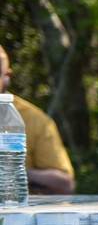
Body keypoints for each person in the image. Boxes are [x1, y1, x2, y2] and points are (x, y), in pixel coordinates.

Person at [0, 44, 75, 195]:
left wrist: (11, 170)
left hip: (12, 215)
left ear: (7, 76)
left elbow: (65, 185)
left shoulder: (33, 119)